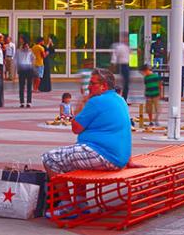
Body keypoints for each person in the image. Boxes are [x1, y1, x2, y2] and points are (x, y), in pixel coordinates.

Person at [40, 69, 131, 213]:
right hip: (118, 157)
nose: (89, 86)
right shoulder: (119, 99)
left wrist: (81, 102)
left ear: (104, 86)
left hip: (103, 155)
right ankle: (81, 203)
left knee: (49, 158)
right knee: (78, 156)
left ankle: (66, 206)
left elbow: (75, 127)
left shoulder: (96, 101)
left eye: (92, 83)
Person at [15, 35, 36, 108]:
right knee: (22, 86)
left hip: (28, 68)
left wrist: (32, 66)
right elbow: (16, 60)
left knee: (28, 86)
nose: (26, 47)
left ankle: (28, 102)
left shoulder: (30, 51)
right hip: (22, 68)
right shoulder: (19, 51)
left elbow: (33, 58)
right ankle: (22, 102)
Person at [111, 33, 132, 100]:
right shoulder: (120, 47)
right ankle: (123, 98)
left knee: (126, 83)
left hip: (127, 65)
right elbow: (115, 56)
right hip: (123, 66)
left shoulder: (127, 47)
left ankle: (124, 97)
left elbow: (130, 53)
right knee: (125, 84)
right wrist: (113, 64)